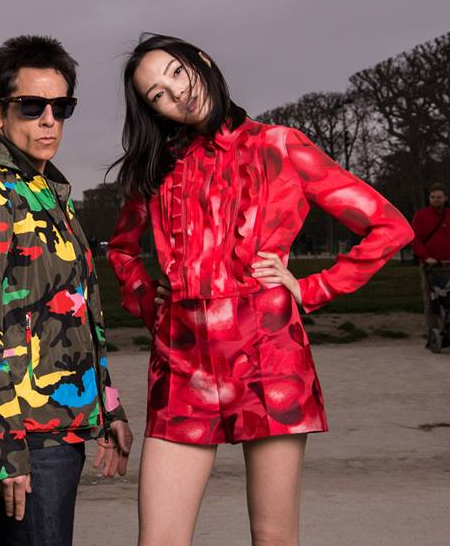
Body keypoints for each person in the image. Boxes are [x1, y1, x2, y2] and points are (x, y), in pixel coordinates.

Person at [107, 34, 413, 546]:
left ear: (202, 61)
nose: (176, 93)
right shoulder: (156, 169)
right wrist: (148, 300)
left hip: (268, 357)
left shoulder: (280, 145)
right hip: (182, 365)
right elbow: (120, 250)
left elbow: (390, 227)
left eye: (177, 72)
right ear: (152, 110)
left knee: (273, 537)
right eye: (157, 94)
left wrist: (311, 289)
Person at [0, 35, 132, 546]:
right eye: (31, 106)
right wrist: (2, 449)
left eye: (61, 107)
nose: (49, 120)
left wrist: (108, 406)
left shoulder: (46, 190)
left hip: (60, 424)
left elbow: (76, 316)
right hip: (26, 434)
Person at [411, 182, 450, 351]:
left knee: (447, 300)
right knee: (431, 300)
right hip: (430, 266)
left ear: (445, 198)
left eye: (439, 197)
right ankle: (433, 333)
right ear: (429, 198)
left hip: (448, 264)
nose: (436, 200)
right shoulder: (421, 216)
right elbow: (415, 239)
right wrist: (426, 257)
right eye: (433, 197)